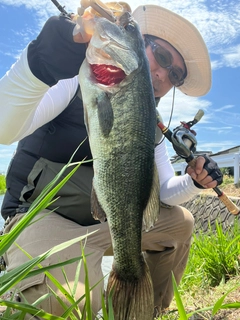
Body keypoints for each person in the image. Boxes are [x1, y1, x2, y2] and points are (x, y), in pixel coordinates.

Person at [0, 3, 223, 319]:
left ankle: (142, 309)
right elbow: (3, 128)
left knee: (181, 223)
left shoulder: (151, 123)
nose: (162, 74)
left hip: (104, 223)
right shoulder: (76, 74)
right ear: (140, 43)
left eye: (174, 74)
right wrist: (39, 64)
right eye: (160, 56)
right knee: (67, 305)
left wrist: (193, 182)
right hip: (42, 217)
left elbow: (163, 191)